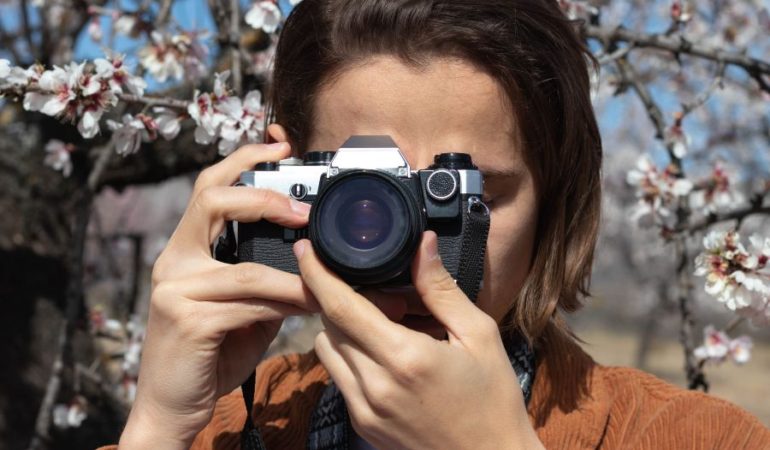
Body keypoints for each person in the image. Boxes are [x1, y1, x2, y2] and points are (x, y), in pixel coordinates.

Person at [103, 0, 770, 449]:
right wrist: (158, 424)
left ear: (554, 201)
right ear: (283, 178)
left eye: (461, 196)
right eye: (365, 198)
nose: (407, 241)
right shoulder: (222, 428)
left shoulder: (696, 437)